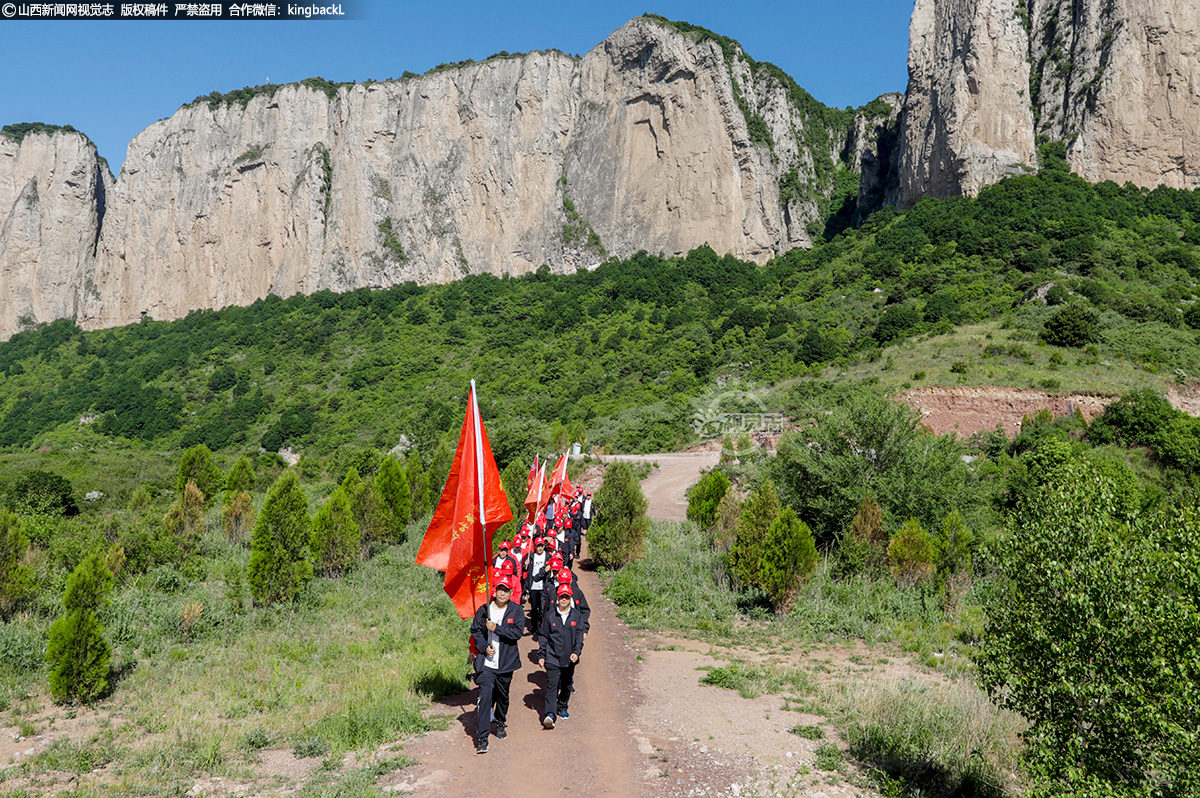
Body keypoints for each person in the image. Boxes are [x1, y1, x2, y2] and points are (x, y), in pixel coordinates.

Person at [468, 574, 525, 754]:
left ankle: (500, 722)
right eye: (500, 589)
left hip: (506, 663)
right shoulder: (484, 609)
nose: (502, 594)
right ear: (495, 591)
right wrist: (484, 648)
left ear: (510, 593)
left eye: (506, 590)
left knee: (503, 697)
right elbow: (475, 630)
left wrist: (496, 629)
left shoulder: (516, 611)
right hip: (486, 664)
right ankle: (482, 737)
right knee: (485, 697)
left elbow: (517, 633)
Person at [536, 582, 585, 728]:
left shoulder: (577, 616)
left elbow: (579, 637)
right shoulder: (550, 616)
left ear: (570, 598)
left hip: (569, 658)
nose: (563, 599)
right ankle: (550, 715)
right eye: (561, 596)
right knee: (552, 685)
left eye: (566, 597)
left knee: (566, 684)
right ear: (557, 598)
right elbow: (543, 636)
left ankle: (563, 707)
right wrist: (541, 655)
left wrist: (576, 652)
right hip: (552, 657)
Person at [524, 536, 549, 632]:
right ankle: (535, 626)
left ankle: (542, 627)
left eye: (542, 546)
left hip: (543, 586)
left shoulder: (547, 556)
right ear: (535, 546)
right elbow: (526, 571)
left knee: (543, 608)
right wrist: (525, 564)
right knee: (534, 608)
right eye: (538, 546)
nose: (540, 548)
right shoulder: (531, 556)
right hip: (533, 586)